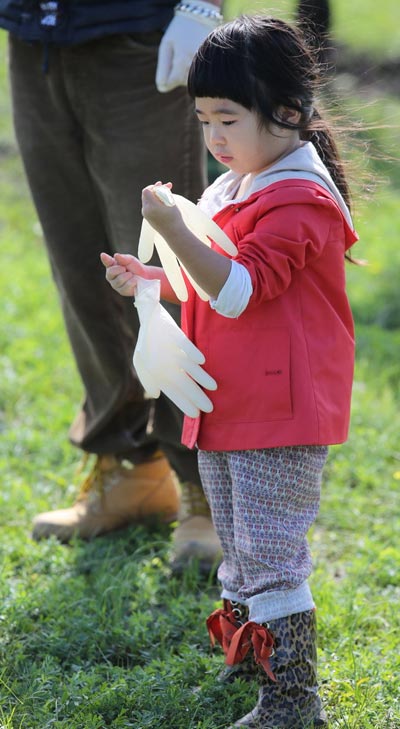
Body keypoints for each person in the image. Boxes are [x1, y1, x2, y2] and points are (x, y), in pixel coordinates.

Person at [102, 14, 359, 727]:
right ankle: (253, 663)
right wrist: (152, 281)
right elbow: (205, 285)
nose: (213, 138)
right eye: (203, 120)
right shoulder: (236, 186)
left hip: (280, 408)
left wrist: (177, 231)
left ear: (287, 113)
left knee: (270, 551)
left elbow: (241, 287)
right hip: (226, 400)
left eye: (227, 119)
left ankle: (292, 697)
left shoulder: (299, 199)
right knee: (240, 548)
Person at [0, 0, 224, 572]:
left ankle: (205, 487)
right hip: (35, 39)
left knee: (166, 263)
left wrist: (203, 5)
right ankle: (131, 466)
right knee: (81, 265)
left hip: (138, 36)